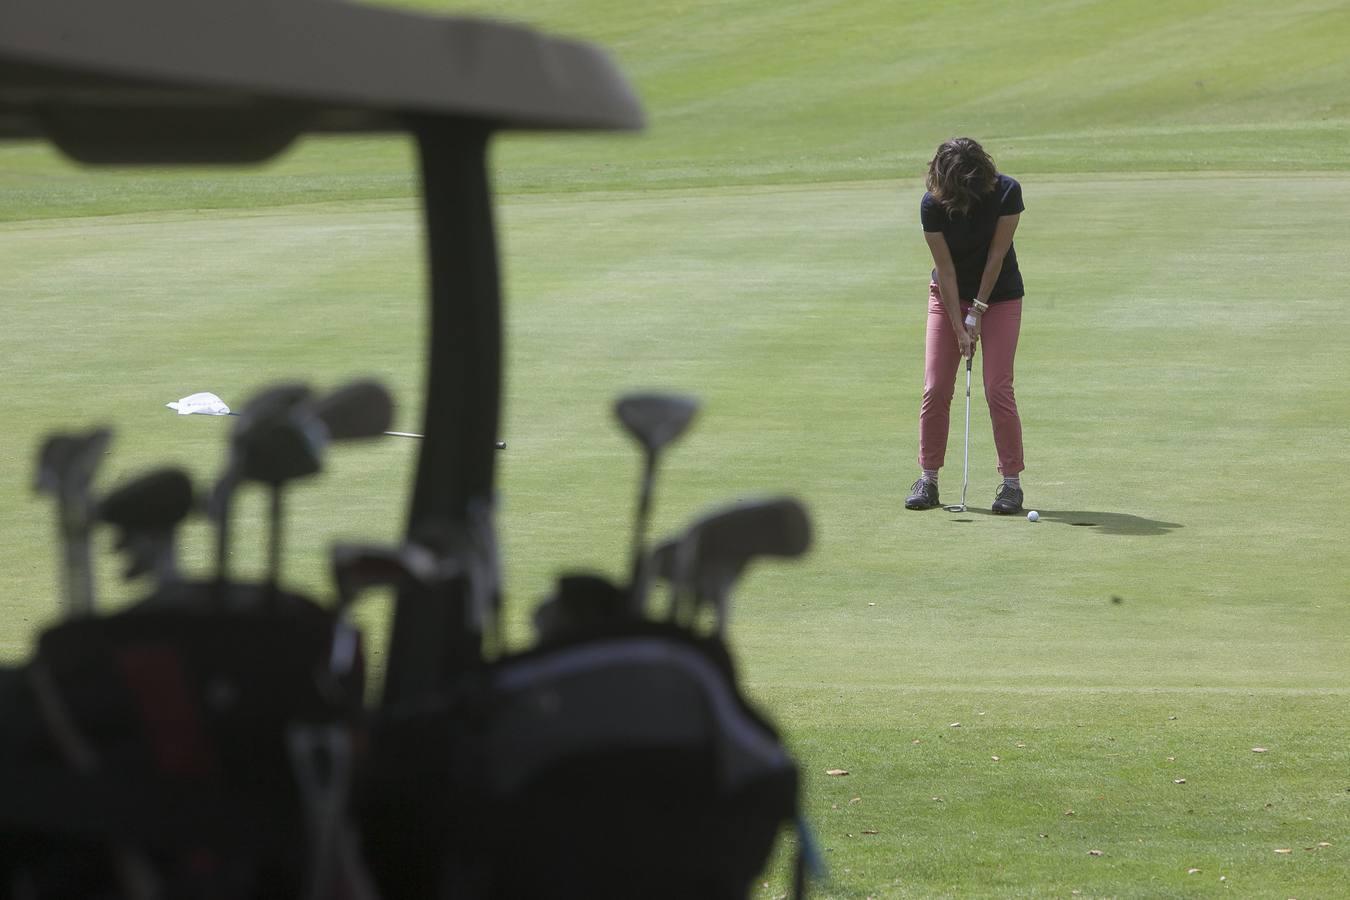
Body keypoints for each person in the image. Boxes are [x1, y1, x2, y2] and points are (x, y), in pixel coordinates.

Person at [905, 137, 1026, 514]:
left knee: (997, 388)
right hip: (947, 295)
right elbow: (945, 271)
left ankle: (1011, 484)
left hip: (1001, 294)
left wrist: (978, 310)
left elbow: (996, 256)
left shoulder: (1006, 192)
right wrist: (959, 325)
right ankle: (928, 480)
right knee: (936, 386)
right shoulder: (933, 205)